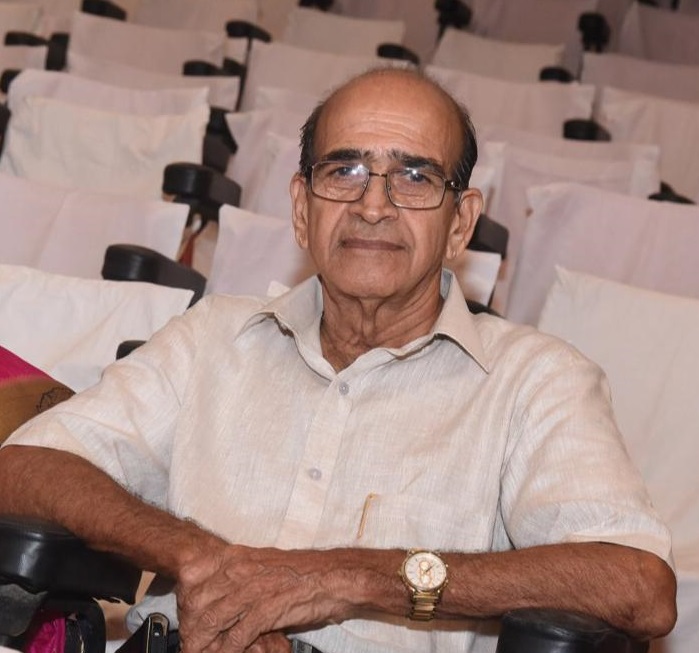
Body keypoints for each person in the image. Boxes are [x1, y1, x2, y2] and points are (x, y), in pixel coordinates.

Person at [0, 67, 676, 653]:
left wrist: (345, 578)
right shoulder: (214, 335)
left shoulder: (534, 381)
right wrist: (207, 563)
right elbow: (25, 465)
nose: (373, 205)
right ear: (302, 208)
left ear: (460, 222)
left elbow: (638, 585)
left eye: (414, 176)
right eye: (343, 171)